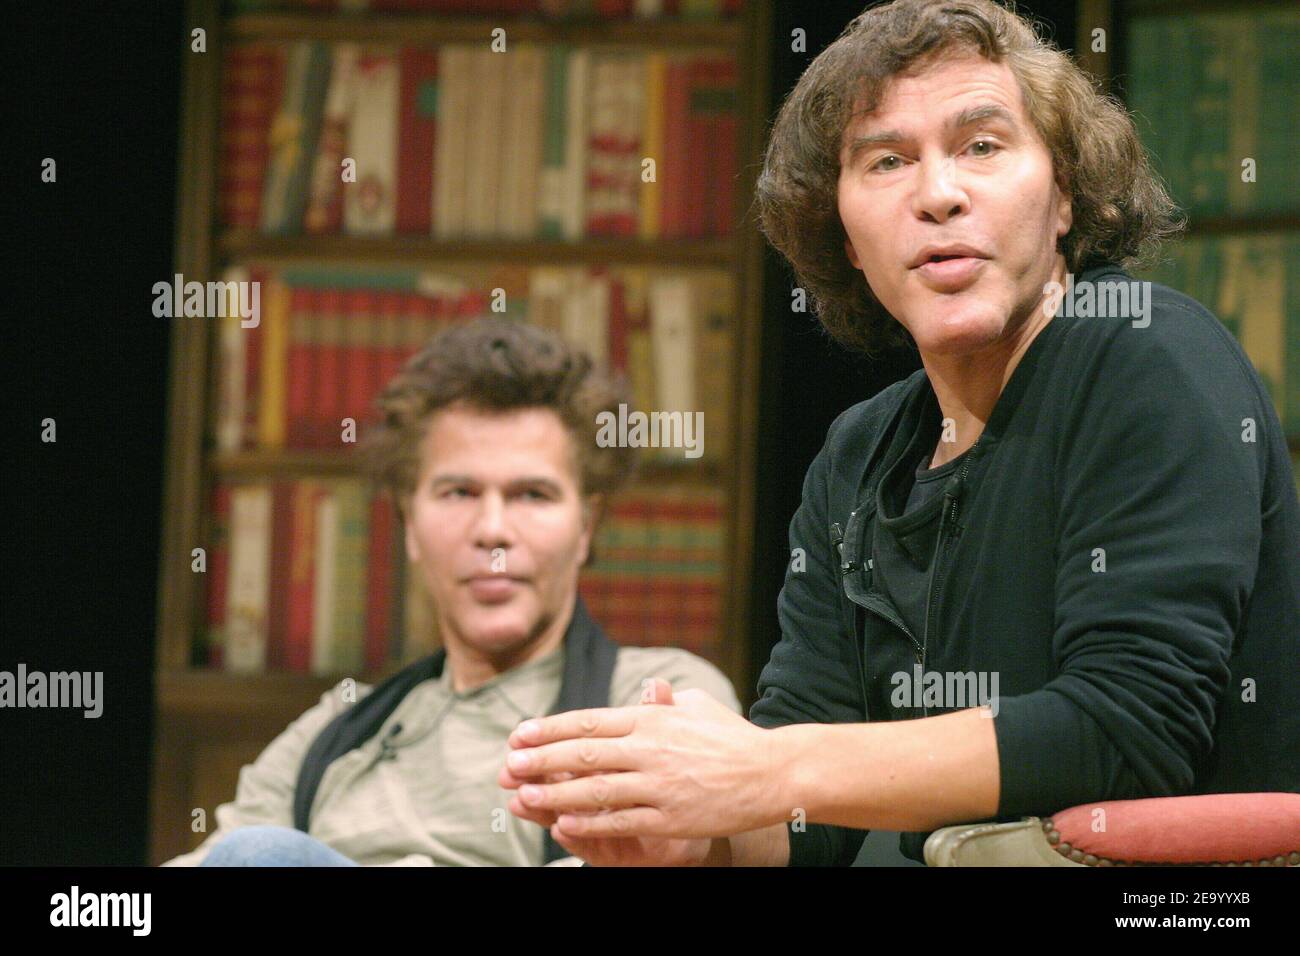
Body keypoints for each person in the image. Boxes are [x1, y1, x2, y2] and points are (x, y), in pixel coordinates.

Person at [500, 0, 1300, 866]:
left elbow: (1128, 733)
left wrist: (772, 766)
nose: (939, 194)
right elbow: (814, 825)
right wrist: (694, 836)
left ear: (1064, 193)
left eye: (983, 146)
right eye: (886, 162)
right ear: (841, 233)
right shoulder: (857, 453)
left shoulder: (1148, 355)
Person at [162, 317, 739, 867]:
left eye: (532, 495)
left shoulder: (655, 695)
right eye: (459, 492)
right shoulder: (333, 731)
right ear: (410, 524)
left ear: (585, 527)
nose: (492, 529)